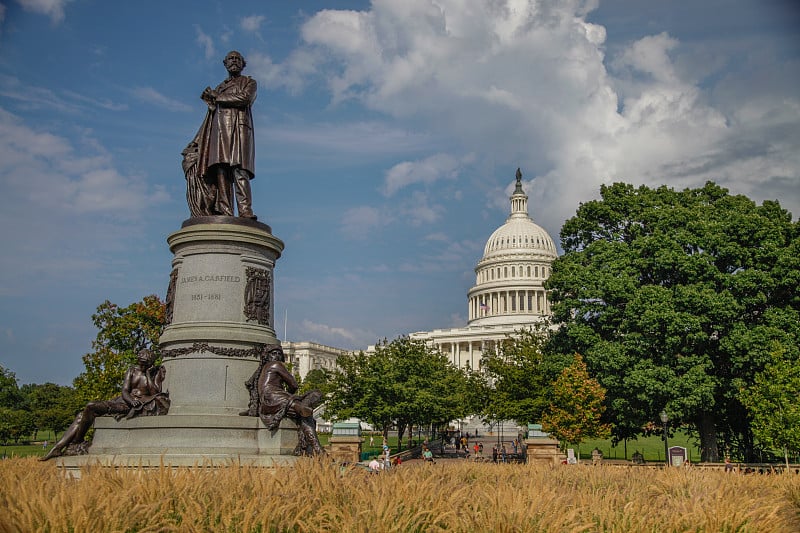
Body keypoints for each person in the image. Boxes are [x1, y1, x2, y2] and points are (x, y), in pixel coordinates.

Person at [42, 348, 170, 460]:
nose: (141, 366)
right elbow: (125, 390)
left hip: (133, 405)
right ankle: (61, 446)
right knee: (83, 414)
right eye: (140, 363)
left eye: (144, 364)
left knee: (90, 407)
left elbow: (155, 392)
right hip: (125, 401)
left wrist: (147, 375)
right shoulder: (132, 371)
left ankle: (71, 443)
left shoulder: (155, 373)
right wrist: (131, 401)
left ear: (149, 364)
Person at [184, 50, 257, 219]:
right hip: (220, 132)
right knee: (221, 171)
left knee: (240, 170)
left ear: (243, 64)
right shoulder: (220, 87)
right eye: (230, 59)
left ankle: (245, 210)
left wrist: (217, 97)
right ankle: (226, 210)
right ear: (225, 63)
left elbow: (245, 98)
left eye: (237, 59)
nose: (234, 61)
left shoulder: (249, 82)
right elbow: (209, 117)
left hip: (239, 131)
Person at [257, 345, 324, 456]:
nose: (277, 356)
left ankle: (309, 447)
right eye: (274, 353)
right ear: (267, 356)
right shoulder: (276, 365)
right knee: (315, 397)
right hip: (275, 397)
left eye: (279, 353)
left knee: (305, 416)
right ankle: (317, 450)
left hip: (267, 401)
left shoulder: (263, 368)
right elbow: (294, 384)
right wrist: (290, 393)